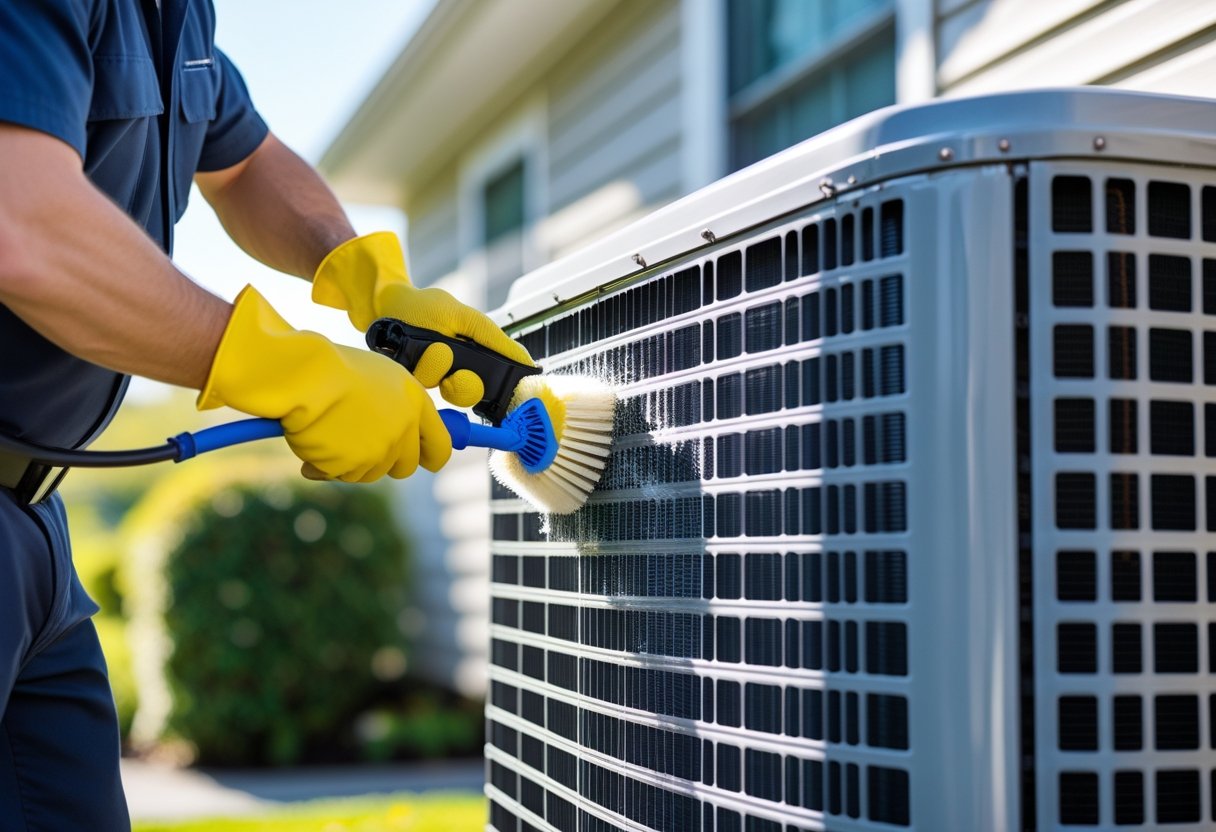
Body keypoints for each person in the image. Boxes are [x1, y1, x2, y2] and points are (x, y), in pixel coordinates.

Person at [0, 1, 532, 828]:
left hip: (35, 526)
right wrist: (286, 372)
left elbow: (246, 164)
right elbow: (22, 228)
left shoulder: (178, 17)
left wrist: (365, 278)